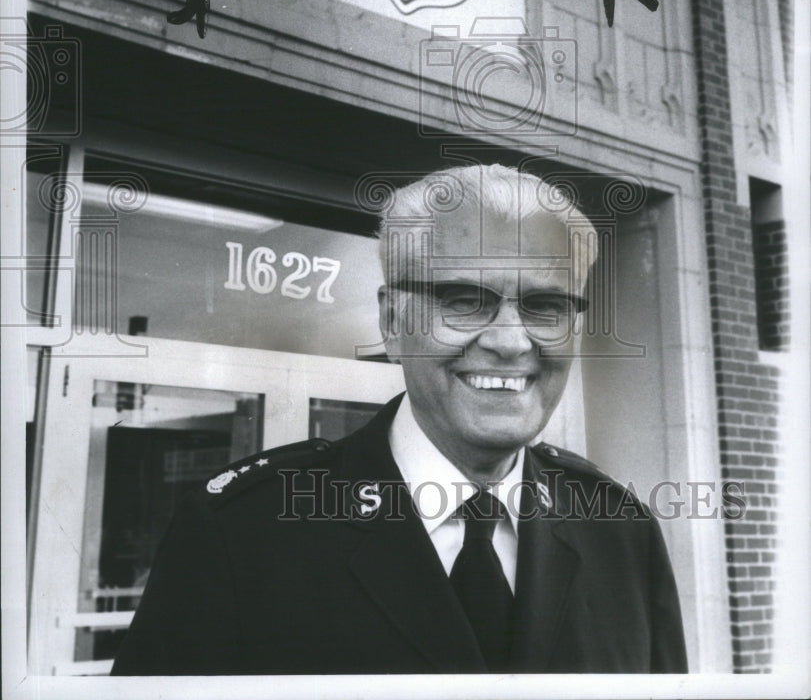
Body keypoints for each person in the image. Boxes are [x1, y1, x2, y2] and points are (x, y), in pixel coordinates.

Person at [111, 164, 688, 675]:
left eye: (546, 305)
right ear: (392, 321)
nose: (512, 342)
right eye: (463, 299)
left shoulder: (621, 533)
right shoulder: (240, 535)